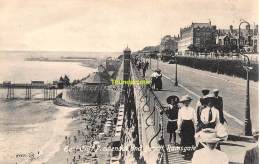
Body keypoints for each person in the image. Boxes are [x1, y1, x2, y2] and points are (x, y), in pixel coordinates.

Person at [177, 95, 196, 159]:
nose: (186, 103)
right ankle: (184, 153)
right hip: (184, 125)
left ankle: (190, 153)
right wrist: (178, 128)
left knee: (190, 139)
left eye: (187, 101)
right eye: (185, 102)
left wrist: (196, 127)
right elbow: (179, 119)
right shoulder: (181, 110)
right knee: (184, 139)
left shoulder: (192, 109)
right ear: (183, 102)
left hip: (190, 124)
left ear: (189, 102)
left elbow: (195, 119)